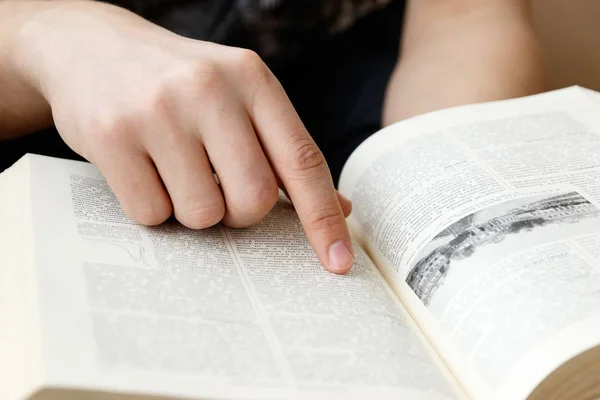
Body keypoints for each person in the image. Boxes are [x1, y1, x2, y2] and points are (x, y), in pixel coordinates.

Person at [0, 0, 544, 274]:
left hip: (358, 89)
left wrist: (446, 183)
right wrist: (42, 37)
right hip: (48, 91)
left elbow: (467, 15)